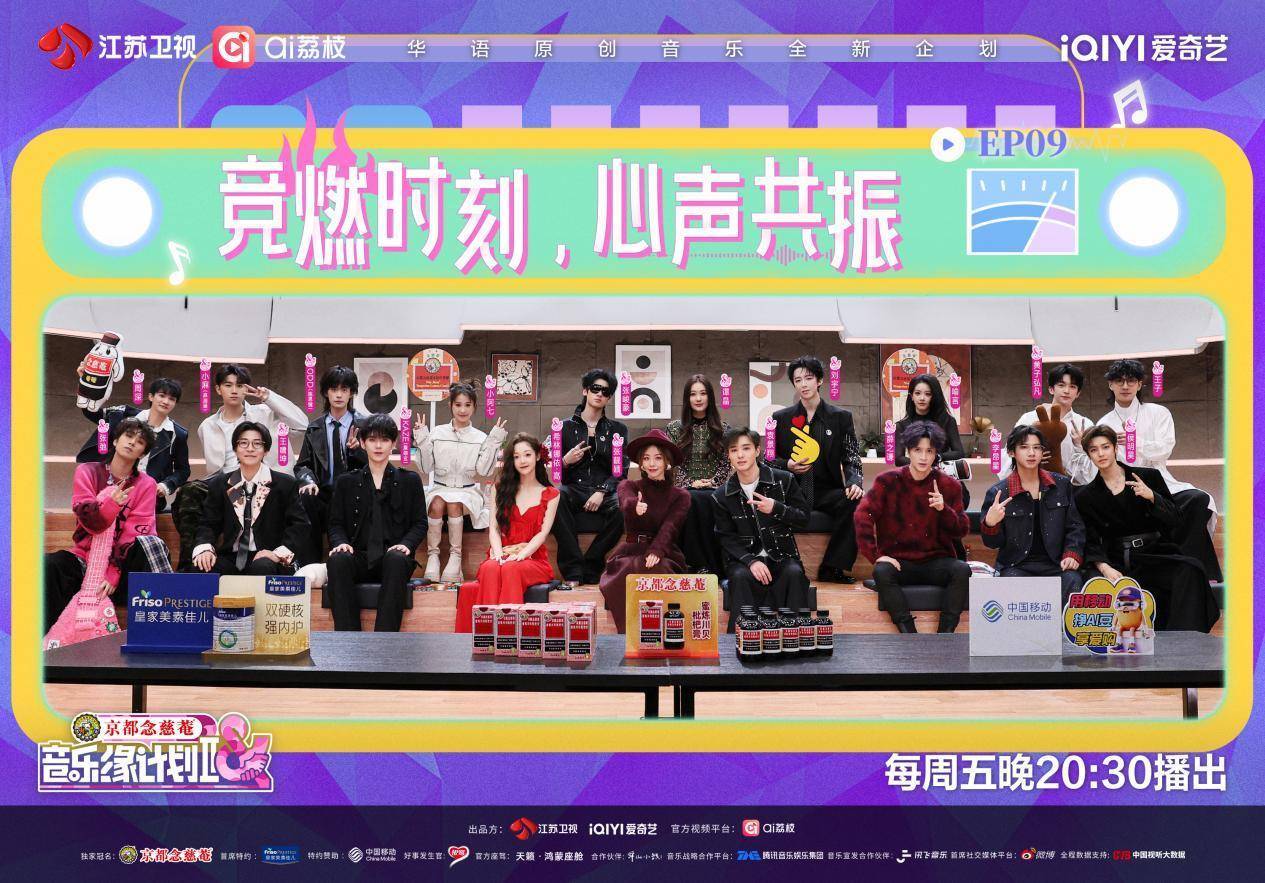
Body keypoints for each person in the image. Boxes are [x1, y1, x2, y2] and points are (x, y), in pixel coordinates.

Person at [1074, 426, 1220, 632]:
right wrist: (1105, 567)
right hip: (1119, 559)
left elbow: (1176, 519)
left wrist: (1153, 497)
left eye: (1105, 447)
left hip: (1155, 552)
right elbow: (1090, 538)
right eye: (1094, 450)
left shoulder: (1148, 476)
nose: (1101, 454)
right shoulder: (1085, 496)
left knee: (1191, 569)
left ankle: (1184, 638)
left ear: (1115, 448)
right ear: (1089, 455)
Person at [1095, 359, 1221, 580]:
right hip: (1126, 486)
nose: (1125, 386)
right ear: (1110, 385)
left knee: (1198, 500)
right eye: (1119, 381)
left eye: (1131, 381)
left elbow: (1165, 449)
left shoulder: (1158, 413)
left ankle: (1190, 567)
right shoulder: (1103, 425)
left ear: (1139, 384)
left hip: (1160, 481)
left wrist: (1135, 442)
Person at [45, 418, 172, 631]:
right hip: (85, 560)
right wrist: (112, 505)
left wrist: (113, 571)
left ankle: (160, 630)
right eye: (128, 436)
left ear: (142, 454)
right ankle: (47, 639)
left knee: (150, 544)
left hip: (122, 572)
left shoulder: (146, 484)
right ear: (114, 441)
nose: (132, 442)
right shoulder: (88, 472)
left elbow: (133, 535)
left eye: (140, 442)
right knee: (50, 565)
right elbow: (89, 520)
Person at [176, 364, 307, 569]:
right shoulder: (206, 426)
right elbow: (214, 470)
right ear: (218, 389)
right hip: (228, 482)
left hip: (265, 479)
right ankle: (194, 559)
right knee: (189, 492)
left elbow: (302, 424)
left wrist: (268, 397)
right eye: (228, 385)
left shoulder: (264, 412)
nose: (234, 390)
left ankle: (277, 558)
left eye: (240, 385)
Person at [854, 421, 971, 634]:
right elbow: (863, 515)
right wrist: (875, 555)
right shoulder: (887, 481)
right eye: (918, 450)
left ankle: (946, 634)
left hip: (936, 561)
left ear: (936, 453)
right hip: (899, 561)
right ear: (908, 451)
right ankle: (908, 633)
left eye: (930, 451)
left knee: (962, 570)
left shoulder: (949, 485)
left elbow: (961, 530)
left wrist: (944, 509)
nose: (924, 457)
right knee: (881, 571)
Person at [325, 414, 426, 632]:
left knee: (396, 559)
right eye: (372, 439)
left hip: (393, 557)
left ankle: (384, 641)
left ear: (394, 443)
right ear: (362, 443)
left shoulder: (410, 480)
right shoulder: (346, 481)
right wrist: (340, 542)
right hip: (358, 556)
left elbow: (420, 523)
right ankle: (348, 640)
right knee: (338, 560)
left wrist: (406, 545)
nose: (378, 446)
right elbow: (335, 523)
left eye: (384, 440)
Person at [771, 355, 864, 583]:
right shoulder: (780, 418)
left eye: (809, 378)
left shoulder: (841, 418)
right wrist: (788, 465)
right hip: (792, 491)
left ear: (820, 380)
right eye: (798, 380)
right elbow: (769, 458)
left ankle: (832, 568)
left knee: (855, 500)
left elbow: (851, 455)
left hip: (825, 491)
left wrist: (854, 481)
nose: (803, 384)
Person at [454, 433, 560, 632]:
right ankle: (485, 635)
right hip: (502, 553)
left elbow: (542, 534)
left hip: (533, 559)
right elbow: (493, 528)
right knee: (490, 567)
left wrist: (521, 554)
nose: (522, 461)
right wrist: (498, 554)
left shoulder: (551, 494)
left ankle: (507, 636)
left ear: (538, 456)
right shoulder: (500, 488)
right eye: (517, 456)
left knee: (511, 568)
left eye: (527, 455)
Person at [712, 427, 811, 630]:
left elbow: (803, 519)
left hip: (782, 556)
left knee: (793, 573)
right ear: (728, 455)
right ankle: (742, 638)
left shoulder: (784, 480)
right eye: (733, 450)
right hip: (744, 560)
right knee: (740, 576)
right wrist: (751, 561)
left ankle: (795, 637)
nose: (740, 455)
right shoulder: (721, 496)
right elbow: (726, 538)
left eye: (746, 448)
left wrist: (777, 508)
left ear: (757, 450)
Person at [412, 382, 508, 583]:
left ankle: (455, 557)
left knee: (454, 503)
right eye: (458, 405)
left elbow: (484, 471)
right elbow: (426, 467)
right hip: (439, 488)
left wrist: (494, 440)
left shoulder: (480, 437)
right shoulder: (437, 433)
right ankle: (433, 556)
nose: (462, 410)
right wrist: (422, 439)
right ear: (450, 405)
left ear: (474, 407)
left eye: (467, 405)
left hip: (468, 492)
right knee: (437, 502)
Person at [980, 425, 1086, 603]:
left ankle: (1062, 624)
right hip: (1015, 565)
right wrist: (991, 524)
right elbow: (992, 543)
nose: (1031, 453)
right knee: (1011, 585)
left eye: (1037, 447)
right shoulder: (999, 492)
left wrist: (1072, 553)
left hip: (1056, 563)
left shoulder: (1061, 485)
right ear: (1011, 452)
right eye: (1024, 447)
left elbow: (1075, 526)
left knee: (1073, 581)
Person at [599, 430, 691, 633]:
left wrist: (657, 550)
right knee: (626, 572)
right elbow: (626, 501)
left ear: (667, 462)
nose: (652, 463)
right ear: (640, 463)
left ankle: (663, 631)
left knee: (658, 570)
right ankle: (630, 634)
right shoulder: (628, 485)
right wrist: (635, 506)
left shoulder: (681, 495)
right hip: (630, 551)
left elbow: (671, 527)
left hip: (663, 552)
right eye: (646, 458)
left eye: (658, 458)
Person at [189, 422, 309, 577]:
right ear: (235, 449)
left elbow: (300, 525)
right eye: (243, 443)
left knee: (262, 567)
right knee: (202, 566)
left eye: (257, 444)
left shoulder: (284, 484)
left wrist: (277, 554)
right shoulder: (221, 484)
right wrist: (205, 548)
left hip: (268, 556)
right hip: (232, 557)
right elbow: (208, 523)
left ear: (266, 450)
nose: (250, 449)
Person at [552, 369, 630, 584]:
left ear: (609, 398)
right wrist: (565, 460)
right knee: (556, 497)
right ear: (585, 391)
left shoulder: (618, 430)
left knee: (624, 506)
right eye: (595, 389)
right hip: (574, 488)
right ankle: (573, 569)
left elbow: (620, 471)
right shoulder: (563, 428)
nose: (599, 394)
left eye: (605, 391)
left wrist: (601, 491)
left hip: (604, 489)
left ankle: (592, 563)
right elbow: (556, 473)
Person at [74, 373, 190, 513]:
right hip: (107, 488)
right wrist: (86, 382)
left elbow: (183, 470)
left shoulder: (178, 434)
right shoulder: (123, 414)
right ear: (151, 396)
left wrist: (165, 486)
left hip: (148, 497)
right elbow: (91, 412)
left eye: (171, 399)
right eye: (162, 395)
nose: (166, 401)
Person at [295, 365, 367, 565]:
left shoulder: (364, 426)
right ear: (326, 392)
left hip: (354, 493)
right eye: (334, 389)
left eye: (344, 389)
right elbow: (303, 465)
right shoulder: (315, 427)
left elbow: (377, 464)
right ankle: (309, 565)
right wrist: (308, 481)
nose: (339, 395)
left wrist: (358, 451)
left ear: (351, 393)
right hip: (324, 493)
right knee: (305, 497)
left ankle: (352, 564)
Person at [665, 374, 731, 574]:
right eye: (693, 394)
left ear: (710, 396)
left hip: (715, 488)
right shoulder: (674, 428)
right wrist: (690, 482)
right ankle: (695, 564)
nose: (698, 398)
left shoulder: (723, 429)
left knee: (708, 499)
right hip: (684, 488)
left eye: (703, 393)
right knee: (690, 498)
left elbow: (727, 463)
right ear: (687, 398)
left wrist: (713, 481)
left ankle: (710, 565)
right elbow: (671, 462)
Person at [1000, 362, 1096, 485]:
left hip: (1070, 489)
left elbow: (1089, 476)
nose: (1066, 391)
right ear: (1051, 389)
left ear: (1078, 393)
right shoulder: (1029, 419)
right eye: (1061, 385)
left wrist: (1080, 447)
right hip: (1031, 486)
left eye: (1072, 386)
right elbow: (1008, 454)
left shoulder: (1085, 424)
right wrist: (1030, 458)